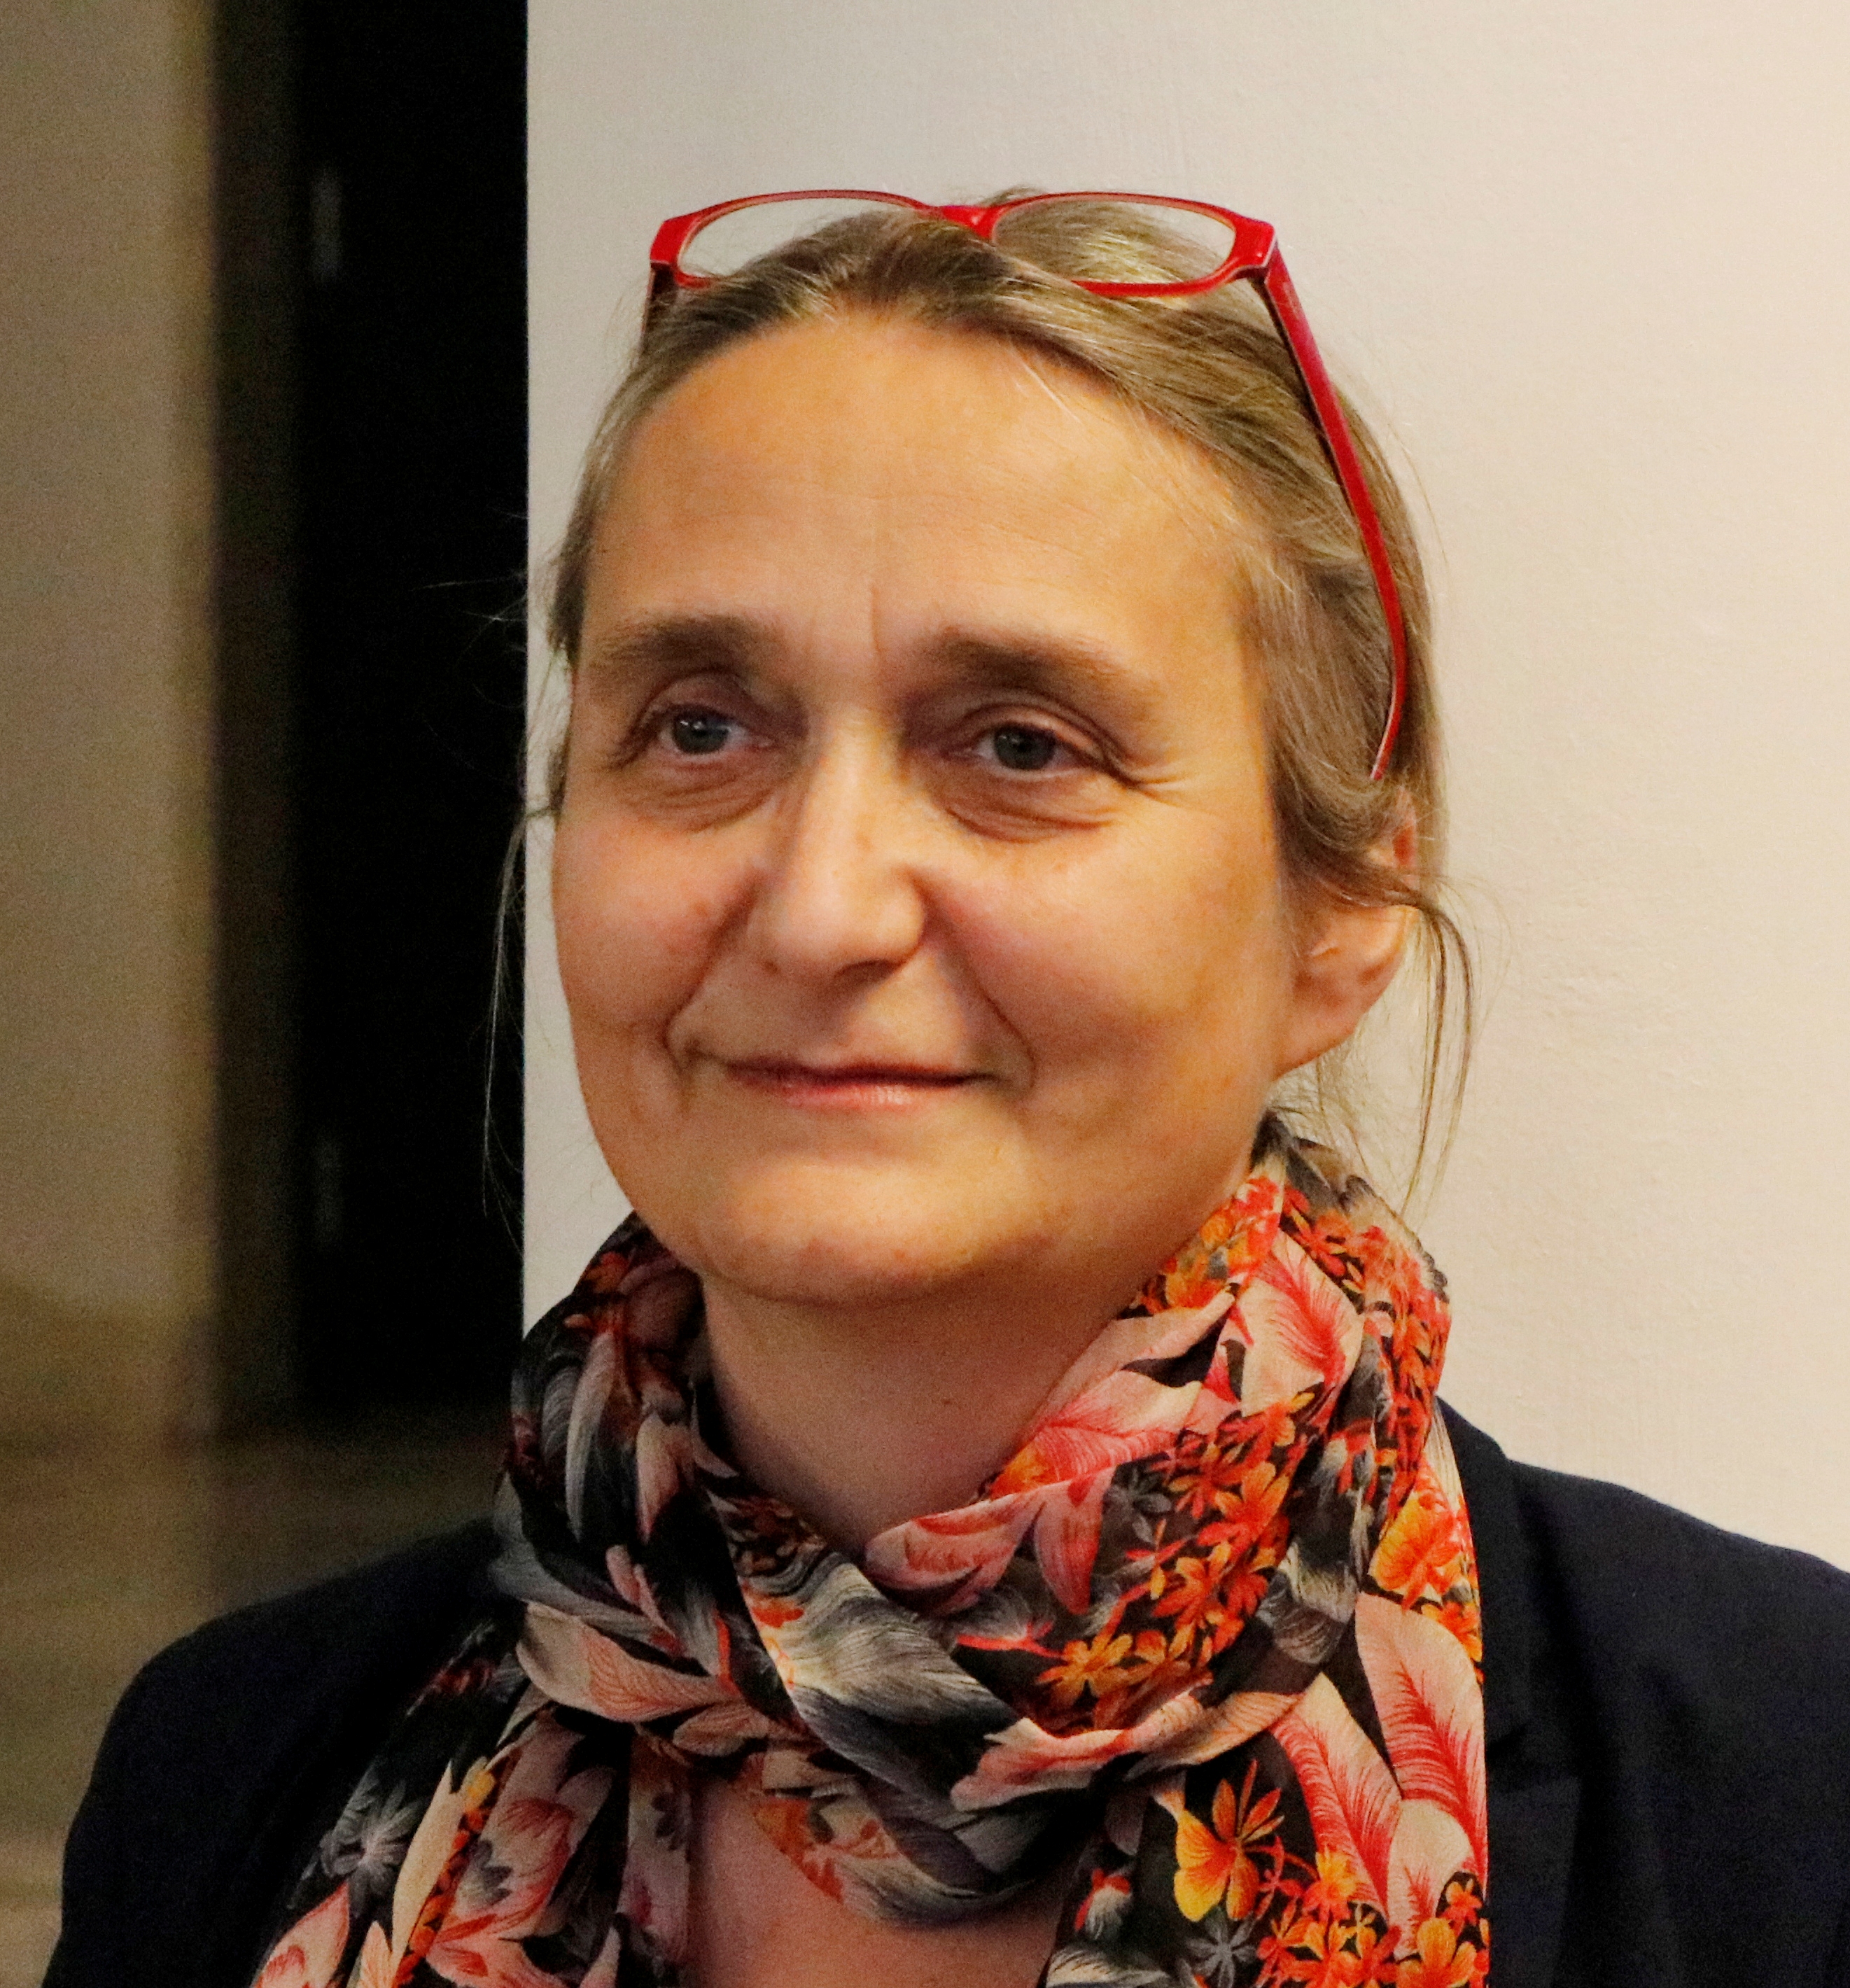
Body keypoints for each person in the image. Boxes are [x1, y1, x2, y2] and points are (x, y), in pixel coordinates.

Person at [48, 192, 1850, 1988]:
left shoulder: (1782, 1791)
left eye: (1018, 744)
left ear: (1341, 911)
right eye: (698, 726)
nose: (820, 907)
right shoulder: (223, 1775)